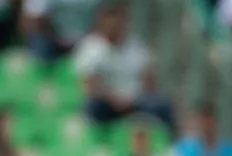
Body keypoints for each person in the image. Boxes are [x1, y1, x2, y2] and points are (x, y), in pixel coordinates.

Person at [74, 3, 174, 134]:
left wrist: (134, 98)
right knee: (93, 106)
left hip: (135, 102)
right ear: (102, 22)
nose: (114, 25)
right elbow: (88, 83)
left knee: (162, 106)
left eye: (118, 21)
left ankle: (166, 145)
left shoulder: (136, 45)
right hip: (107, 103)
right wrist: (113, 98)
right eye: (110, 21)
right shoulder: (90, 47)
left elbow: (148, 79)